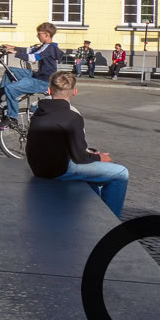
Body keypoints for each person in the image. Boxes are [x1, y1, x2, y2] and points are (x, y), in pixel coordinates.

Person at [26, 71, 128, 217]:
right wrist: (100, 158)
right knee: (121, 173)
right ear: (74, 92)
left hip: (38, 167)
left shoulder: (38, 112)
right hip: (59, 170)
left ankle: (96, 214)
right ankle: (111, 222)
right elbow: (80, 156)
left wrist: (91, 155)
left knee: (93, 177)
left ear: (49, 90)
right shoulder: (72, 117)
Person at [0, 22, 62, 124]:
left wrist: (15, 53)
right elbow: (30, 50)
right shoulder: (45, 46)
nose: (37, 35)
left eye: (39, 33)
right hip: (38, 75)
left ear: (47, 34)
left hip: (43, 81)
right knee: (10, 71)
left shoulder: (50, 48)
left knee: (10, 89)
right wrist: (12, 47)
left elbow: (33, 57)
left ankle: (12, 117)